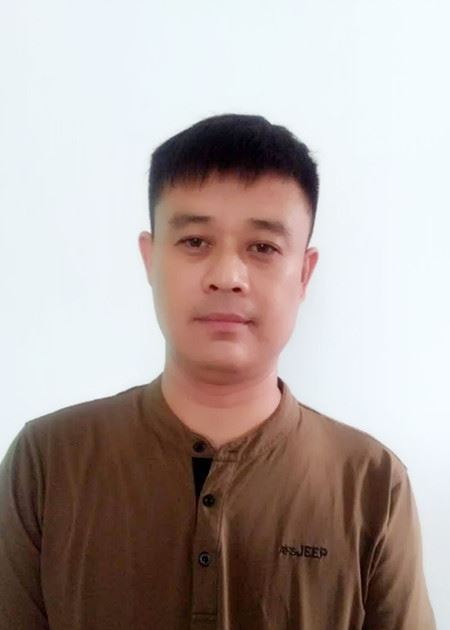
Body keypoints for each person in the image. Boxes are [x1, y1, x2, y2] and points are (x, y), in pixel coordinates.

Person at [0, 113, 436, 629]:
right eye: (195, 242)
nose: (227, 276)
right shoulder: (47, 462)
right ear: (150, 259)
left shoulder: (371, 483)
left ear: (304, 273)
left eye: (263, 247)